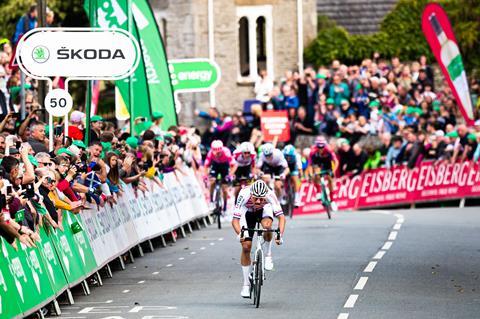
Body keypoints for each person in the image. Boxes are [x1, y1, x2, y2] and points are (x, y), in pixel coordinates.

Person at [231, 180, 285, 298]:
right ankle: (246, 285)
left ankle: (268, 255)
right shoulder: (244, 193)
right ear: (251, 194)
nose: (259, 201)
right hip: (247, 212)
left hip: (264, 211)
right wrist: (240, 233)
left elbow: (281, 218)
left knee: (267, 227)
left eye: (262, 198)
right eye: (256, 199)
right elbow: (235, 220)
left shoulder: (270, 195)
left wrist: (279, 235)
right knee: (246, 246)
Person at [306, 136, 338, 210]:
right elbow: (310, 165)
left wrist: (333, 171)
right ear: (316, 146)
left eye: (322, 147)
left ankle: (332, 200)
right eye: (319, 147)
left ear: (325, 145)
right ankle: (318, 192)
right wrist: (311, 174)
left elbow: (336, 162)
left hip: (327, 163)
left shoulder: (329, 150)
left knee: (330, 179)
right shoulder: (313, 151)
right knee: (316, 174)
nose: (321, 149)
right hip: (317, 163)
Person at [204, 140, 236, 212]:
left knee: (225, 189)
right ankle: (211, 201)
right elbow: (206, 165)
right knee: (212, 181)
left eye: (219, 153)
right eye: (215, 153)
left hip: (225, 166)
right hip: (215, 166)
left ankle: (224, 207)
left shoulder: (226, 152)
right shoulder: (210, 153)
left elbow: (233, 165)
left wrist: (230, 174)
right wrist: (205, 176)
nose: (217, 154)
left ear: (221, 150)